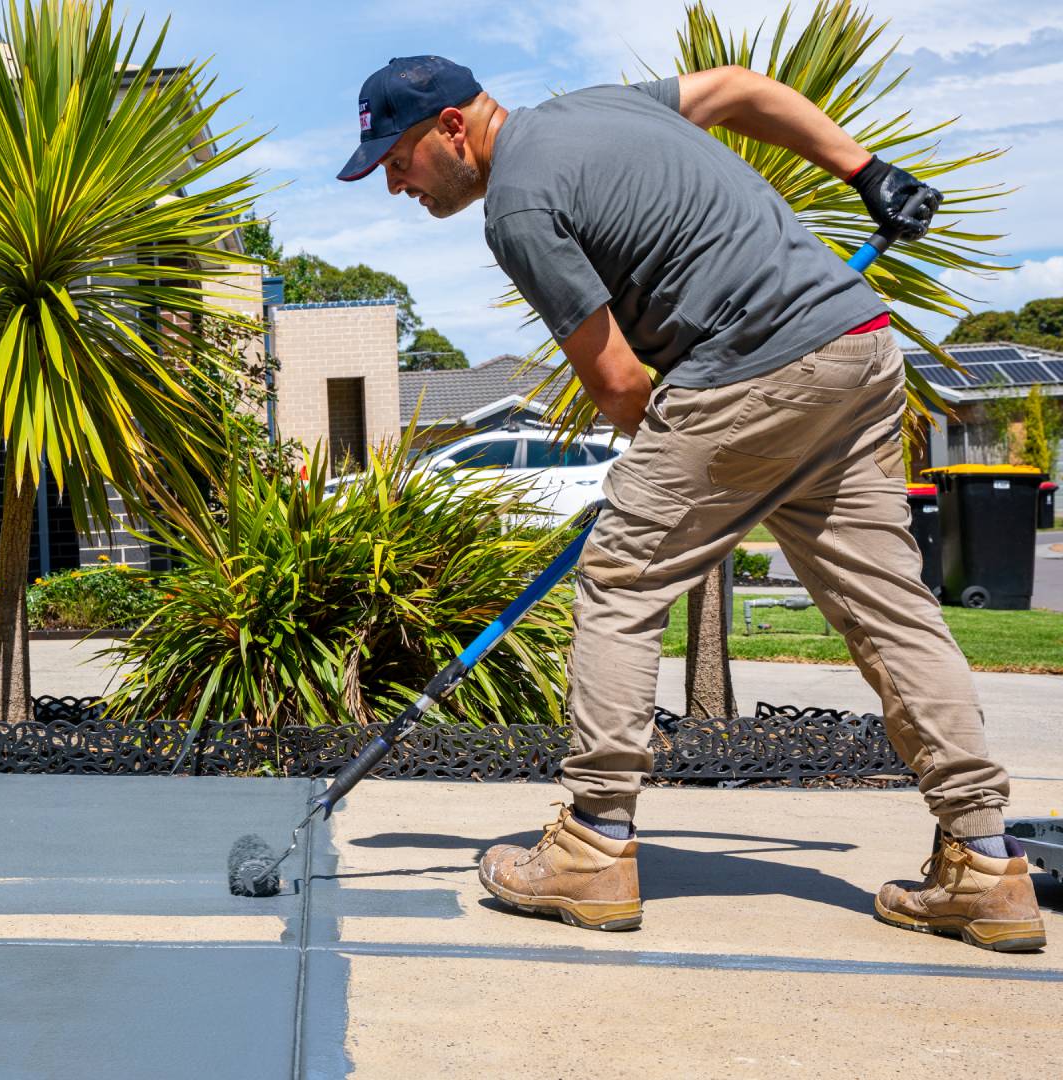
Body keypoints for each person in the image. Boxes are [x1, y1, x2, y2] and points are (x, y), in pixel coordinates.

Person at [336, 56, 1046, 951]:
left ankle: (593, 844)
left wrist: (680, 454)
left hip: (756, 367)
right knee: (888, 609)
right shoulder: (596, 106)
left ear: (449, 127)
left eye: (396, 159)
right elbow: (740, 87)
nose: (395, 184)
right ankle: (985, 863)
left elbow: (621, 382)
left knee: (622, 580)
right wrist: (866, 172)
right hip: (857, 345)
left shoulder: (517, 204)